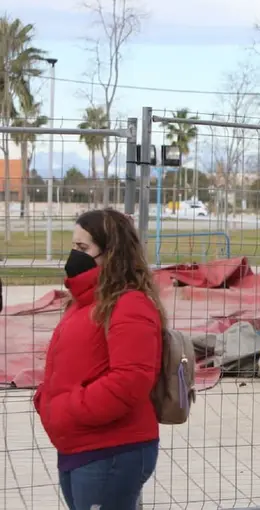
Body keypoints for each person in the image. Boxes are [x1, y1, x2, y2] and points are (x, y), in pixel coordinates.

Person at [33, 208, 165, 509]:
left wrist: (67, 409)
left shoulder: (130, 305)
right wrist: (47, 401)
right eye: (73, 246)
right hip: (81, 446)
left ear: (112, 254)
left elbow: (130, 380)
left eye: (83, 248)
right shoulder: (84, 302)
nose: (73, 255)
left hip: (112, 449)